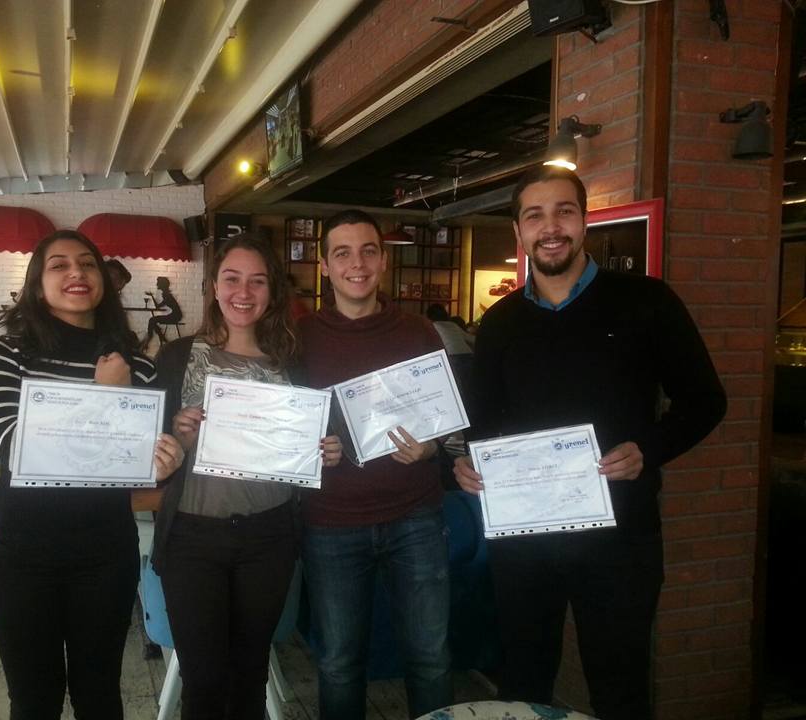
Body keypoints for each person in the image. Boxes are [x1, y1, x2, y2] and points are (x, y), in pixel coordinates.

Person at [454, 165, 727, 720]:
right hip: (525, 539)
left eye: (564, 212)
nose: (550, 227)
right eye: (535, 216)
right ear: (519, 231)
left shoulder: (647, 302)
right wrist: (463, 466)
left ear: (584, 222)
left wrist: (648, 449)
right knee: (523, 683)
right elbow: (483, 423)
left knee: (620, 688)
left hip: (620, 540)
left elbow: (706, 401)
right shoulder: (500, 322)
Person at [0, 230, 185, 720]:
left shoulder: (138, 366)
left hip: (105, 555)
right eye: (60, 265)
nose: (77, 273)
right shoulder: (5, 354)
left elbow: (140, 461)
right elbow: (16, 449)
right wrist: (106, 396)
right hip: (23, 556)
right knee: (34, 701)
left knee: (100, 696)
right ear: (37, 283)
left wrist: (164, 460)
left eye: (88, 263)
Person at [149, 233, 342, 720]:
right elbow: (148, 451)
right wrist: (174, 437)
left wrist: (326, 450)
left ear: (272, 292)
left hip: (268, 537)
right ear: (213, 286)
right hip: (192, 537)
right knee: (202, 682)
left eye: (257, 281)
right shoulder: (176, 357)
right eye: (232, 279)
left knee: (250, 674)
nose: (243, 292)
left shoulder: (292, 363)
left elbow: (311, 441)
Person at [297, 209, 453, 720]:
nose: (357, 264)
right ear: (325, 265)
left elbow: (444, 421)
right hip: (331, 524)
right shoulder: (299, 337)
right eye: (342, 253)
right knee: (339, 664)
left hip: (416, 517)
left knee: (430, 658)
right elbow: (288, 426)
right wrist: (312, 447)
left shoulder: (420, 332)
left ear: (384, 260)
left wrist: (430, 447)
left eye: (368, 251)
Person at [143, 275, 184, 348]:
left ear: (162, 284)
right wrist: (152, 296)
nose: (156, 284)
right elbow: (158, 306)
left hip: (175, 316)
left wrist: (152, 296)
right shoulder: (166, 294)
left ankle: (152, 337)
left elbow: (157, 306)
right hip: (175, 315)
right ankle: (160, 337)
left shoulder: (166, 295)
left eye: (158, 283)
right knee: (153, 320)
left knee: (152, 320)